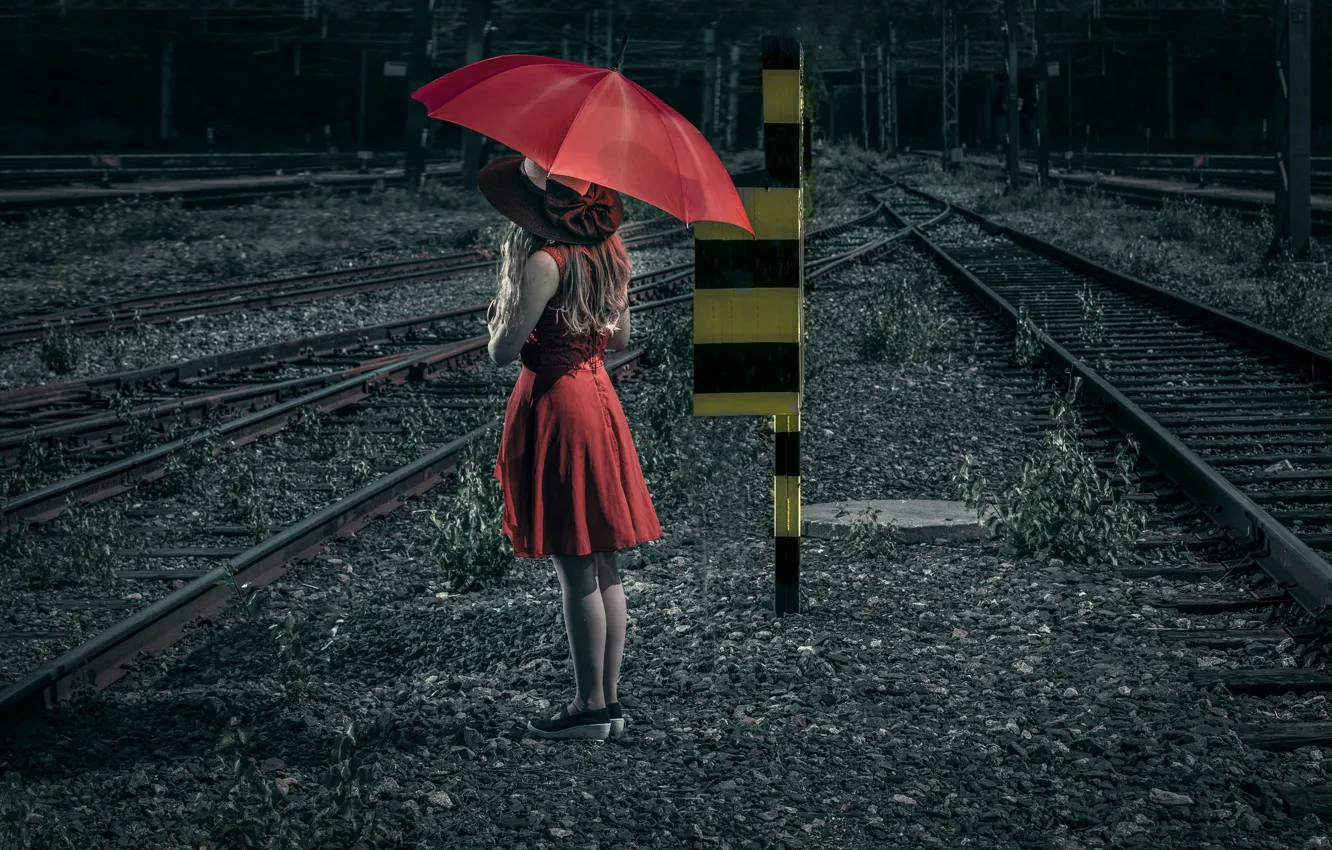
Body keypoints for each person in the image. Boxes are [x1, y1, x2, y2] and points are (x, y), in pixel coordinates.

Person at [480, 155, 663, 742]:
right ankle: (606, 702)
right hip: (599, 398)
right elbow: (624, 338)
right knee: (603, 560)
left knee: (576, 566)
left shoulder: (543, 261)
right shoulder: (611, 254)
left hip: (560, 405)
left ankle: (586, 705)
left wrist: (504, 308)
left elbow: (502, 352)